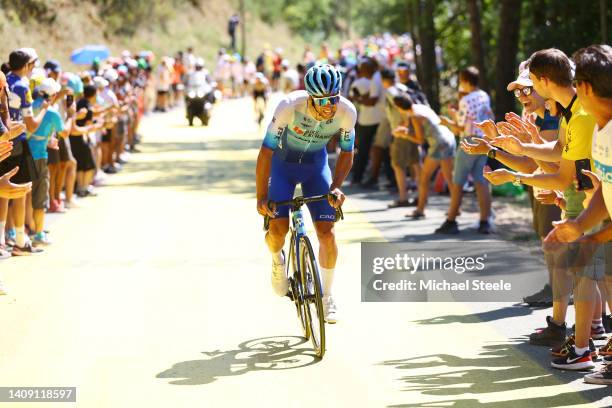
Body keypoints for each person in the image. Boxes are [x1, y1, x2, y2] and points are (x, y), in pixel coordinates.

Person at [484, 48, 599, 370]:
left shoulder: (584, 114)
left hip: (595, 204)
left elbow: (563, 175)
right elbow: (559, 151)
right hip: (590, 202)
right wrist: (520, 147)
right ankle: (582, 342)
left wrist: (516, 174)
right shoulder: (570, 111)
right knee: (578, 264)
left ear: (545, 80)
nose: (528, 89)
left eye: (531, 82)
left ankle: (584, 345)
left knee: (586, 268)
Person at [255, 64, 357, 323]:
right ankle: (277, 260)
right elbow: (266, 152)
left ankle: (327, 295)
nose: (328, 106)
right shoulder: (289, 106)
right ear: (310, 97)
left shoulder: (346, 112)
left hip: (316, 168)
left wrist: (336, 186)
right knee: (278, 230)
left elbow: (347, 152)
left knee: (327, 233)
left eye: (333, 99)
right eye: (322, 101)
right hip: (282, 168)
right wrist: (260, 197)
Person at [543, 45, 612, 383]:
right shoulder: (599, 128)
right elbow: (605, 187)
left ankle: (588, 347)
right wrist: (581, 226)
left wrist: (592, 233)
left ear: (584, 88)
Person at [0, 48, 48, 255]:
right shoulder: (22, 86)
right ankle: (20, 239)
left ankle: (3, 239)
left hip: (4, 139)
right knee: (18, 190)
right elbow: (31, 125)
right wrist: (46, 107)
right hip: (15, 141)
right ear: (27, 65)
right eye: (33, 64)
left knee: (3, 190)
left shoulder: (6, 79)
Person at [439, 66, 493, 234]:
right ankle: (485, 221)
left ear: (466, 81)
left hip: (468, 141)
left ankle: (451, 220)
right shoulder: (484, 95)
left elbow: (460, 128)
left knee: (458, 181)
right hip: (484, 141)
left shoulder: (466, 100)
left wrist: (447, 121)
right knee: (481, 181)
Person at [393, 93, 456, 219]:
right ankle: (456, 208)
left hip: (438, 143)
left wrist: (404, 135)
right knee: (449, 178)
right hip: (449, 138)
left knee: (424, 177)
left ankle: (420, 210)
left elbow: (420, 140)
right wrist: (406, 131)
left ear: (399, 107)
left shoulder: (415, 116)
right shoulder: (419, 107)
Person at [27, 78, 74, 246]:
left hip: (24, 154)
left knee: (25, 194)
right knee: (40, 196)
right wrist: (71, 116)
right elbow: (65, 133)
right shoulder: (52, 112)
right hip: (39, 156)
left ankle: (25, 229)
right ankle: (38, 233)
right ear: (53, 95)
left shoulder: (31, 104)